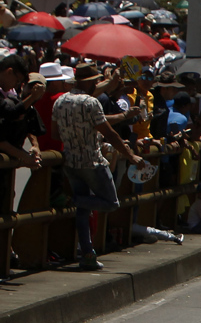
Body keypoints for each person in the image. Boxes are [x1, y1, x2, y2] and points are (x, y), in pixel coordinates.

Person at [50, 62, 145, 270]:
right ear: (91, 83)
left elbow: (55, 134)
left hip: (70, 160)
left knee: (83, 211)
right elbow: (111, 133)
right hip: (91, 160)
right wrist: (131, 156)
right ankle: (74, 201)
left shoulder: (60, 102)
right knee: (111, 203)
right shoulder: (91, 103)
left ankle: (87, 253)